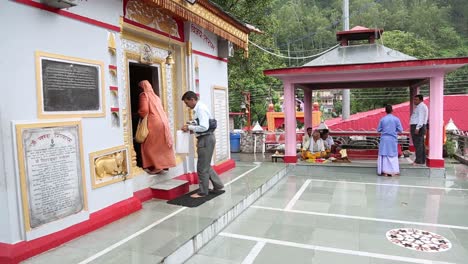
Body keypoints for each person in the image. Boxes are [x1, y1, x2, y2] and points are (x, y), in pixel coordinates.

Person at [181, 91, 224, 198]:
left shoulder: (200, 109)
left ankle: (203, 192)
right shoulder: (199, 108)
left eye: (187, 103)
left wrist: (189, 127)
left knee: (201, 167)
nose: (187, 106)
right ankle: (218, 185)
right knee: (205, 165)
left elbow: (204, 127)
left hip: (205, 139)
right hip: (206, 138)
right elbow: (201, 124)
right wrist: (191, 127)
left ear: (192, 99)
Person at [138, 80, 176, 174]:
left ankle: (156, 166)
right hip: (164, 122)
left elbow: (144, 110)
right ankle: (163, 165)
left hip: (154, 123)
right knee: (161, 145)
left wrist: (139, 114)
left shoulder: (144, 95)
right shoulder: (156, 97)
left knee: (149, 145)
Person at [377, 105, 403, 177]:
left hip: (384, 139)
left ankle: (385, 171)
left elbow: (379, 130)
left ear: (385, 111)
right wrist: (394, 130)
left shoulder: (382, 119)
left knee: (385, 155)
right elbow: (400, 130)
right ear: (392, 110)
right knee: (393, 155)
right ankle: (394, 171)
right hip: (392, 139)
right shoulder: (396, 119)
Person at [409, 94, 428, 165]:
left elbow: (421, 118)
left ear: (420, 100)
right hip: (417, 125)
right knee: (420, 144)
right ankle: (422, 160)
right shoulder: (419, 107)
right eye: (414, 99)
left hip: (418, 126)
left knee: (418, 144)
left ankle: (418, 160)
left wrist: (417, 127)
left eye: (416, 99)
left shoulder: (421, 107)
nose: (414, 101)